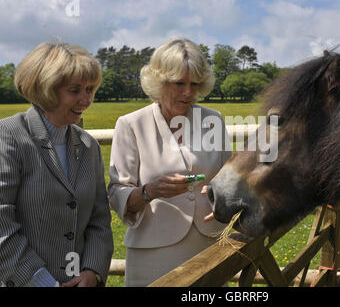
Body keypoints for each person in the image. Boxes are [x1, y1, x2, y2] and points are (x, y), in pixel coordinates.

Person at [108, 37, 232, 286]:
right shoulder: (131, 124)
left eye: (195, 84)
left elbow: (230, 177)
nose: (188, 92)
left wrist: (219, 190)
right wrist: (149, 191)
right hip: (153, 252)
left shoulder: (213, 120)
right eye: (179, 83)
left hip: (210, 245)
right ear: (159, 82)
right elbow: (116, 192)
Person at [0, 42, 114, 287]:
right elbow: (1, 220)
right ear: (46, 89)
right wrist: (40, 281)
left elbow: (99, 219)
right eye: (75, 90)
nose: (86, 100)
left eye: (90, 89)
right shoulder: (8, 135)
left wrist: (92, 272)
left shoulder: (88, 145)